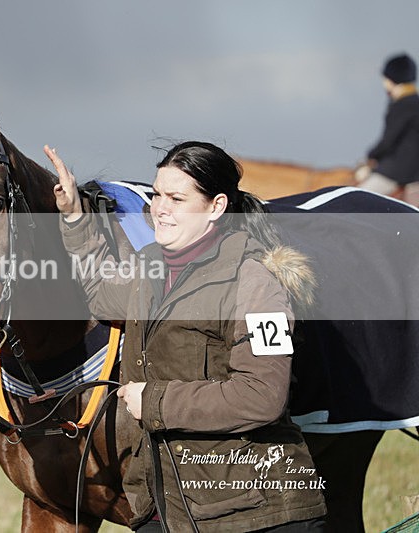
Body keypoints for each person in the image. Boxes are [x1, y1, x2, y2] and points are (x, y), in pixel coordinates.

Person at [45, 142, 326, 532]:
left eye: (176, 198)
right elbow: (100, 291)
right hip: (165, 507)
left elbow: (263, 396)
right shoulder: (147, 269)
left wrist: (155, 400)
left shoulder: (256, 282)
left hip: (257, 511)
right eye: (158, 194)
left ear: (216, 206)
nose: (160, 208)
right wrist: (75, 218)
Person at [355, 52, 419, 206]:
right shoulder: (415, 102)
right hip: (415, 172)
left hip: (398, 172)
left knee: (358, 201)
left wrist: (369, 157)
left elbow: (388, 141)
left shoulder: (402, 105)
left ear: (391, 79)